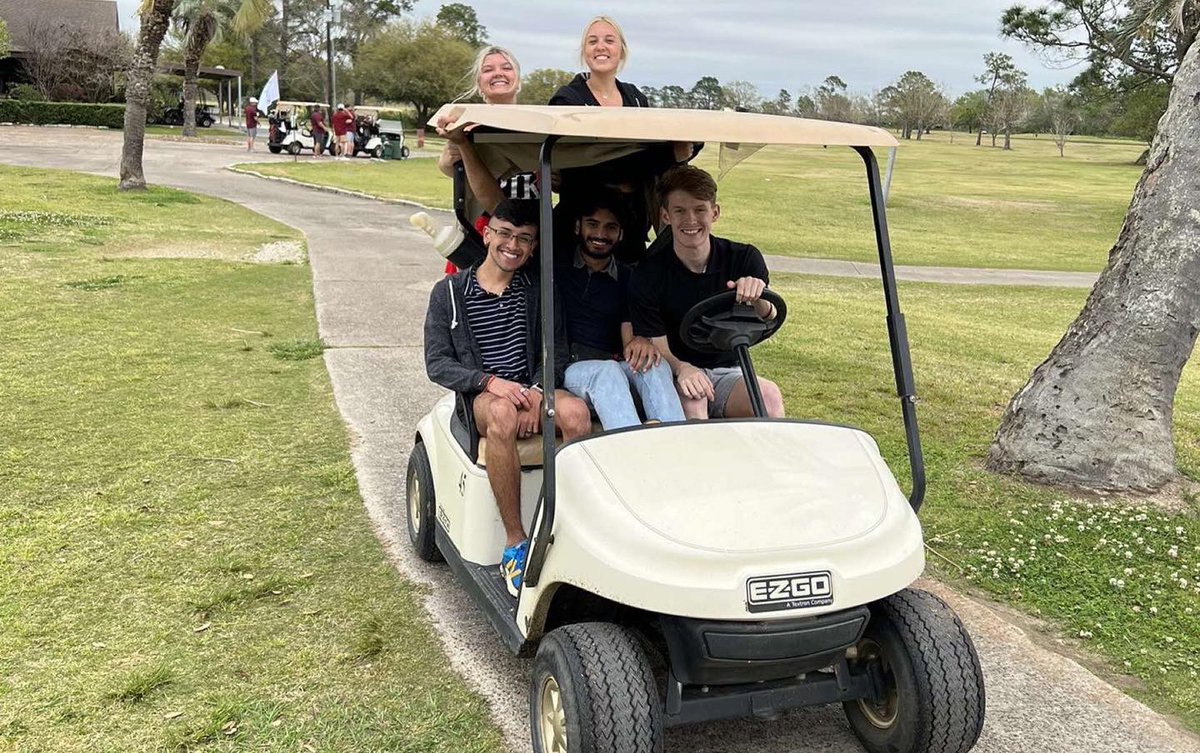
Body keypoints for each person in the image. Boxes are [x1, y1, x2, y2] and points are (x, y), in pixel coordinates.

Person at [424, 199, 591, 596]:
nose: (512, 245)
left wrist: (535, 392)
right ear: (487, 234)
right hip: (483, 396)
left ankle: (575, 527)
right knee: (502, 415)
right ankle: (515, 542)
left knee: (577, 414)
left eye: (524, 239)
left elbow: (556, 351)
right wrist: (488, 382)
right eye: (504, 233)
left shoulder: (537, 290)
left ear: (532, 247)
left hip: (529, 387)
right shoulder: (449, 293)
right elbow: (437, 363)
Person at [630, 165, 786, 420]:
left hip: (729, 370)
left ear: (715, 213)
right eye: (680, 210)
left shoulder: (744, 258)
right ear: (666, 215)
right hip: (676, 371)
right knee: (694, 401)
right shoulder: (648, 273)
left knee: (769, 398)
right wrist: (683, 368)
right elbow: (657, 341)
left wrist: (757, 296)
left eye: (699, 209)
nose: (690, 220)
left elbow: (768, 317)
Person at [547, 17, 697, 265]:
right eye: (592, 41)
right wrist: (669, 156)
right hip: (579, 233)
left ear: (621, 51)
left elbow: (647, 156)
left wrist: (677, 153)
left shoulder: (635, 98)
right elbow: (592, 165)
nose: (601, 47)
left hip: (631, 231)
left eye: (609, 40)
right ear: (584, 52)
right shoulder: (568, 100)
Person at [560, 189, 685, 429]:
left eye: (610, 228)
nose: (600, 234)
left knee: (655, 366)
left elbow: (630, 335)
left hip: (614, 363)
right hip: (570, 367)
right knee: (607, 373)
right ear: (578, 227)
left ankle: (674, 446)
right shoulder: (558, 270)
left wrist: (639, 341)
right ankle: (629, 451)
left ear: (620, 234)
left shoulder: (629, 278)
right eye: (593, 225)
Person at [436, 45, 529, 275]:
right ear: (479, 84)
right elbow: (448, 165)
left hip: (530, 235)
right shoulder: (466, 127)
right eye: (488, 69)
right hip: (480, 232)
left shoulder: (535, 126)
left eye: (506, 67)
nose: (498, 73)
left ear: (518, 80)